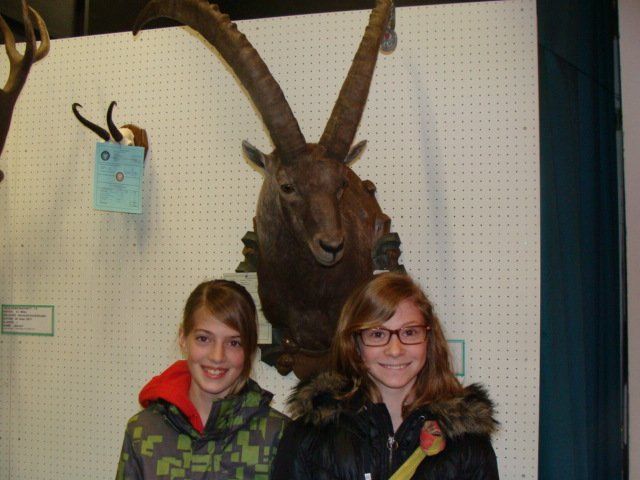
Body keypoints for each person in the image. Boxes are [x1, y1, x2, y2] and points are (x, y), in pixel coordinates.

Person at [271, 272, 499, 480]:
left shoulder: (465, 440)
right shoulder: (310, 435)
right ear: (355, 343)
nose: (395, 350)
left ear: (428, 340)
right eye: (378, 334)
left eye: (410, 332)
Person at [116, 280, 289, 480]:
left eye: (234, 343)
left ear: (249, 349)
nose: (217, 356)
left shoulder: (280, 436)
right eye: (203, 339)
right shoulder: (143, 431)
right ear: (183, 338)